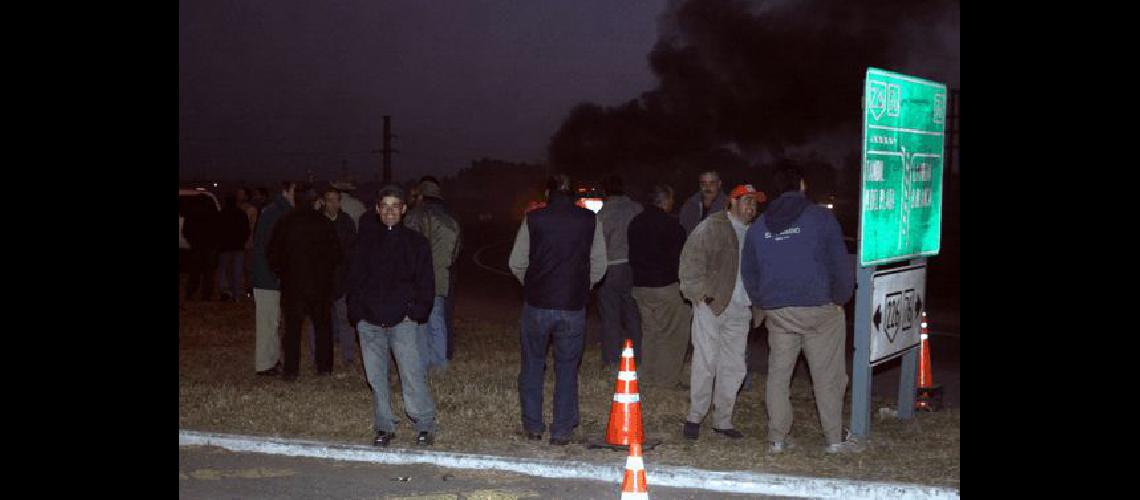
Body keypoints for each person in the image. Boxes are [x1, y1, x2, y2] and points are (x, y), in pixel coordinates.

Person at [741, 161, 858, 454]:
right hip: (819, 309)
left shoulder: (758, 227)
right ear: (802, 184)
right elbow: (840, 265)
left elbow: (749, 272)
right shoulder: (820, 219)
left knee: (779, 375)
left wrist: (763, 301)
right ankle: (834, 440)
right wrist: (841, 297)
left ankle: (777, 439)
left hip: (779, 311)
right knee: (827, 376)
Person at [508, 174, 607, 445]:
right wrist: (582, 287)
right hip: (573, 306)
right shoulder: (589, 220)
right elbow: (600, 263)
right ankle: (561, 429)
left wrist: (531, 284)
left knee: (532, 364)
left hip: (538, 304)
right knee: (567, 368)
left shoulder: (534, 218)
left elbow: (516, 261)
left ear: (548, 191)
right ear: (573, 193)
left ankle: (533, 426)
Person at [347, 185, 438, 447]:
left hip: (404, 322)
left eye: (395, 206)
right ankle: (384, 426)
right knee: (376, 378)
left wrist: (415, 313)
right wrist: (359, 315)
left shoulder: (416, 243)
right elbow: (354, 281)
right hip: (370, 322)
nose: (389, 211)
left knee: (411, 375)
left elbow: (426, 284)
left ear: (403, 209)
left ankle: (424, 424)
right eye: (384, 206)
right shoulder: (364, 243)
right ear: (377, 209)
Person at [677, 184, 763, 440]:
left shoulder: (756, 233)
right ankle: (695, 416)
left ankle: (722, 419)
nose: (751, 207)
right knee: (705, 360)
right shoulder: (712, 227)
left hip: (741, 307)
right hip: (712, 305)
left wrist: (760, 303)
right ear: (732, 202)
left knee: (735, 365)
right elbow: (690, 262)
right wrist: (700, 294)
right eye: (747, 201)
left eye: (755, 203)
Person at [267, 187, 343, 380]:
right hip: (320, 285)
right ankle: (324, 367)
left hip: (293, 285)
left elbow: (272, 254)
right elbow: (337, 255)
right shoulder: (324, 223)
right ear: (316, 202)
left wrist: (282, 273)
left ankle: (291, 370)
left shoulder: (285, 222)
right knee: (323, 328)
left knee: (292, 329)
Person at [627, 184, 690, 390]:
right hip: (665, 286)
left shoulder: (635, 223)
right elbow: (680, 259)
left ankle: (649, 376)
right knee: (672, 334)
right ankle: (666, 380)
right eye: (671, 200)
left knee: (651, 332)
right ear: (665, 201)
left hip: (640, 286)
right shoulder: (672, 226)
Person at [403, 176, 462, 373]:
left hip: (418, 278)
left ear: (421, 195)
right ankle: (441, 362)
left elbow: (406, 249)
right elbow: (455, 252)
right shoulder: (451, 220)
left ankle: (423, 363)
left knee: (420, 320)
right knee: (437, 319)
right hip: (441, 275)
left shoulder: (414, 216)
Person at [303, 188, 359, 368]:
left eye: (335, 200)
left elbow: (352, 252)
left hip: (341, 281)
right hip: (319, 282)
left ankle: (348, 357)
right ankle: (316, 357)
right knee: (316, 320)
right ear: (323, 201)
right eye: (329, 200)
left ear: (340, 202)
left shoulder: (347, 222)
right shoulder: (314, 221)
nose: (332, 204)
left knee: (345, 320)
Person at [595, 174, 643, 369]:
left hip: (611, 267)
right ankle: (637, 358)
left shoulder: (603, 214)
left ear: (605, 191)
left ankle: (612, 359)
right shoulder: (637, 209)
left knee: (610, 316)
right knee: (633, 315)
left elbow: (598, 245)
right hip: (634, 267)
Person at [251, 181, 295, 376]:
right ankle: (264, 364)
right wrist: (279, 273)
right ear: (287, 191)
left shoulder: (273, 212)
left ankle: (272, 359)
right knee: (268, 322)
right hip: (268, 278)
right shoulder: (278, 214)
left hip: (267, 276)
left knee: (272, 321)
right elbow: (274, 249)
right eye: (294, 191)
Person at [183, 194, 220, 301]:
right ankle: (206, 295)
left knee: (194, 272)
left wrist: (191, 241)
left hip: (196, 245)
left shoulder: (191, 212)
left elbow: (186, 230)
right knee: (208, 273)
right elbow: (218, 229)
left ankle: (190, 292)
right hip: (209, 245)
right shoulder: (213, 212)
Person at [216, 194, 252, 302]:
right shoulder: (241, 214)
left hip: (225, 247)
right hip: (238, 246)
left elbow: (217, 230)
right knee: (237, 271)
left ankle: (225, 292)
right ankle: (236, 294)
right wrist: (242, 241)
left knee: (224, 271)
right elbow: (247, 230)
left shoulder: (221, 214)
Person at [679, 170, 728, 236]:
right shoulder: (689, 206)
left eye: (712, 183)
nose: (707, 187)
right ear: (700, 185)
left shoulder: (728, 207)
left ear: (719, 184)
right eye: (703, 183)